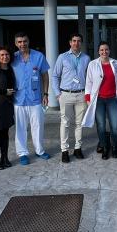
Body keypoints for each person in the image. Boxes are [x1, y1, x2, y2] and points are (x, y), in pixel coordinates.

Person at [0, 32, 51, 166]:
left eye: (25, 41)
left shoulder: (38, 56)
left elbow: (45, 76)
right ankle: (22, 153)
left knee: (38, 126)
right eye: (20, 42)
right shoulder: (12, 58)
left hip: (35, 99)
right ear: (16, 44)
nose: (22, 44)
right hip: (18, 100)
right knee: (21, 128)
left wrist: (45, 94)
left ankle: (39, 150)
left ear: (28, 41)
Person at [50, 33, 91, 163]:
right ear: (70, 42)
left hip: (81, 94)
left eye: (79, 41)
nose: (76, 43)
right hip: (65, 94)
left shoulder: (86, 58)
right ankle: (64, 150)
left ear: (81, 43)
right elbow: (55, 76)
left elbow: (89, 78)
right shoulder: (62, 57)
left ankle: (78, 148)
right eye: (74, 41)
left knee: (79, 123)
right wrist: (57, 93)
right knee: (65, 123)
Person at [82, 42, 117, 159]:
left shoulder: (115, 63)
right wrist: (88, 98)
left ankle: (114, 147)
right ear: (98, 51)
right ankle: (105, 148)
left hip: (112, 99)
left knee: (115, 126)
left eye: (106, 49)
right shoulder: (92, 64)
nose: (104, 52)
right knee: (101, 126)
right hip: (98, 99)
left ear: (109, 51)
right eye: (101, 50)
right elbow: (88, 82)